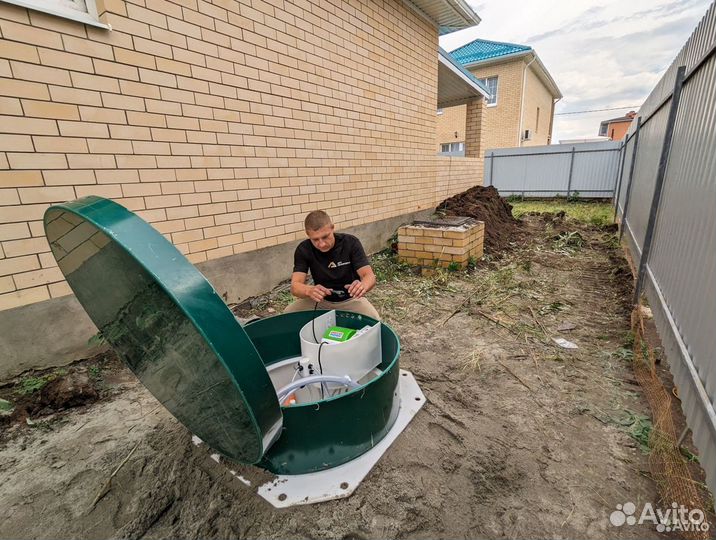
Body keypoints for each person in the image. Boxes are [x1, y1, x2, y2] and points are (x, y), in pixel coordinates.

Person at [284, 210, 380, 320]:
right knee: (288, 314)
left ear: (332, 228)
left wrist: (362, 286)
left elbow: (369, 276)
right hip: (321, 300)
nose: (321, 244)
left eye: (325, 237)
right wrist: (309, 290)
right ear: (308, 234)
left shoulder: (350, 243)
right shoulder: (304, 249)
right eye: (315, 239)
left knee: (374, 319)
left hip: (351, 299)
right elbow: (295, 286)